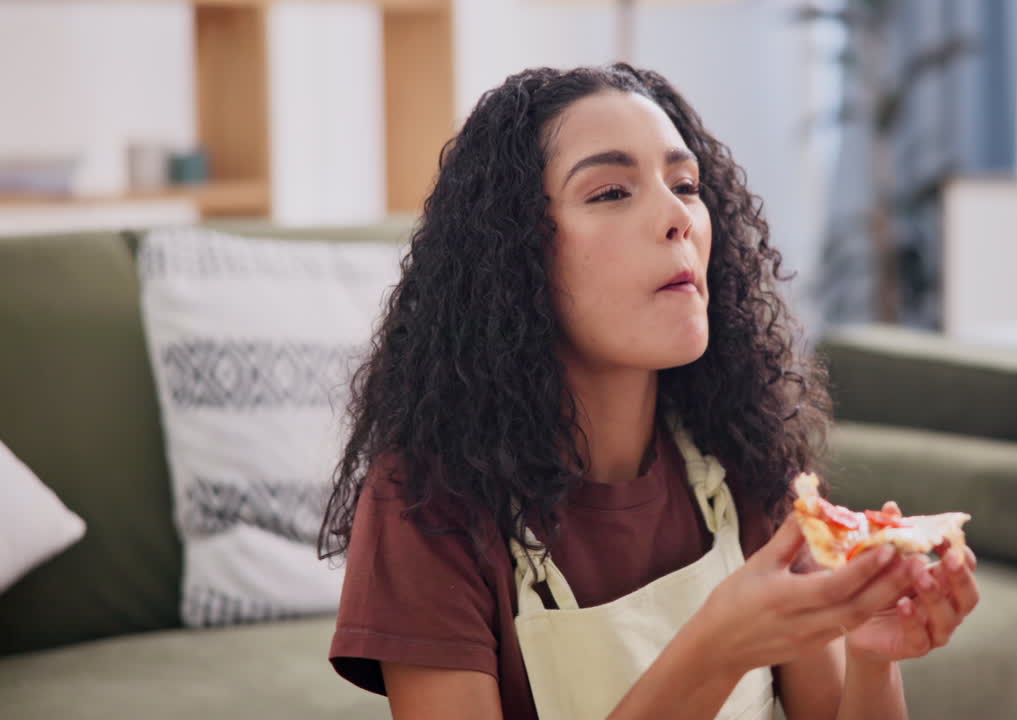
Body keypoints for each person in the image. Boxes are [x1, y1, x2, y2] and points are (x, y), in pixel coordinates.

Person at [318, 63, 979, 720]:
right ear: (513, 256)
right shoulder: (425, 502)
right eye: (611, 192)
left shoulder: (743, 453)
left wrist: (872, 656)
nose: (677, 216)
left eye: (685, 185)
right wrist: (715, 651)